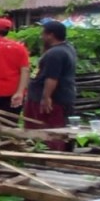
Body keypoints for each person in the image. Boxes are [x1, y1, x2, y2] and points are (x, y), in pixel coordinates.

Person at [24, 20, 78, 150]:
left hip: (52, 100)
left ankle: (52, 155)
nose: (41, 36)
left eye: (43, 33)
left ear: (51, 35)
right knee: (55, 127)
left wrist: (46, 97)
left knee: (49, 130)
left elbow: (52, 78)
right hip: (61, 96)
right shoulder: (67, 48)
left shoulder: (55, 53)